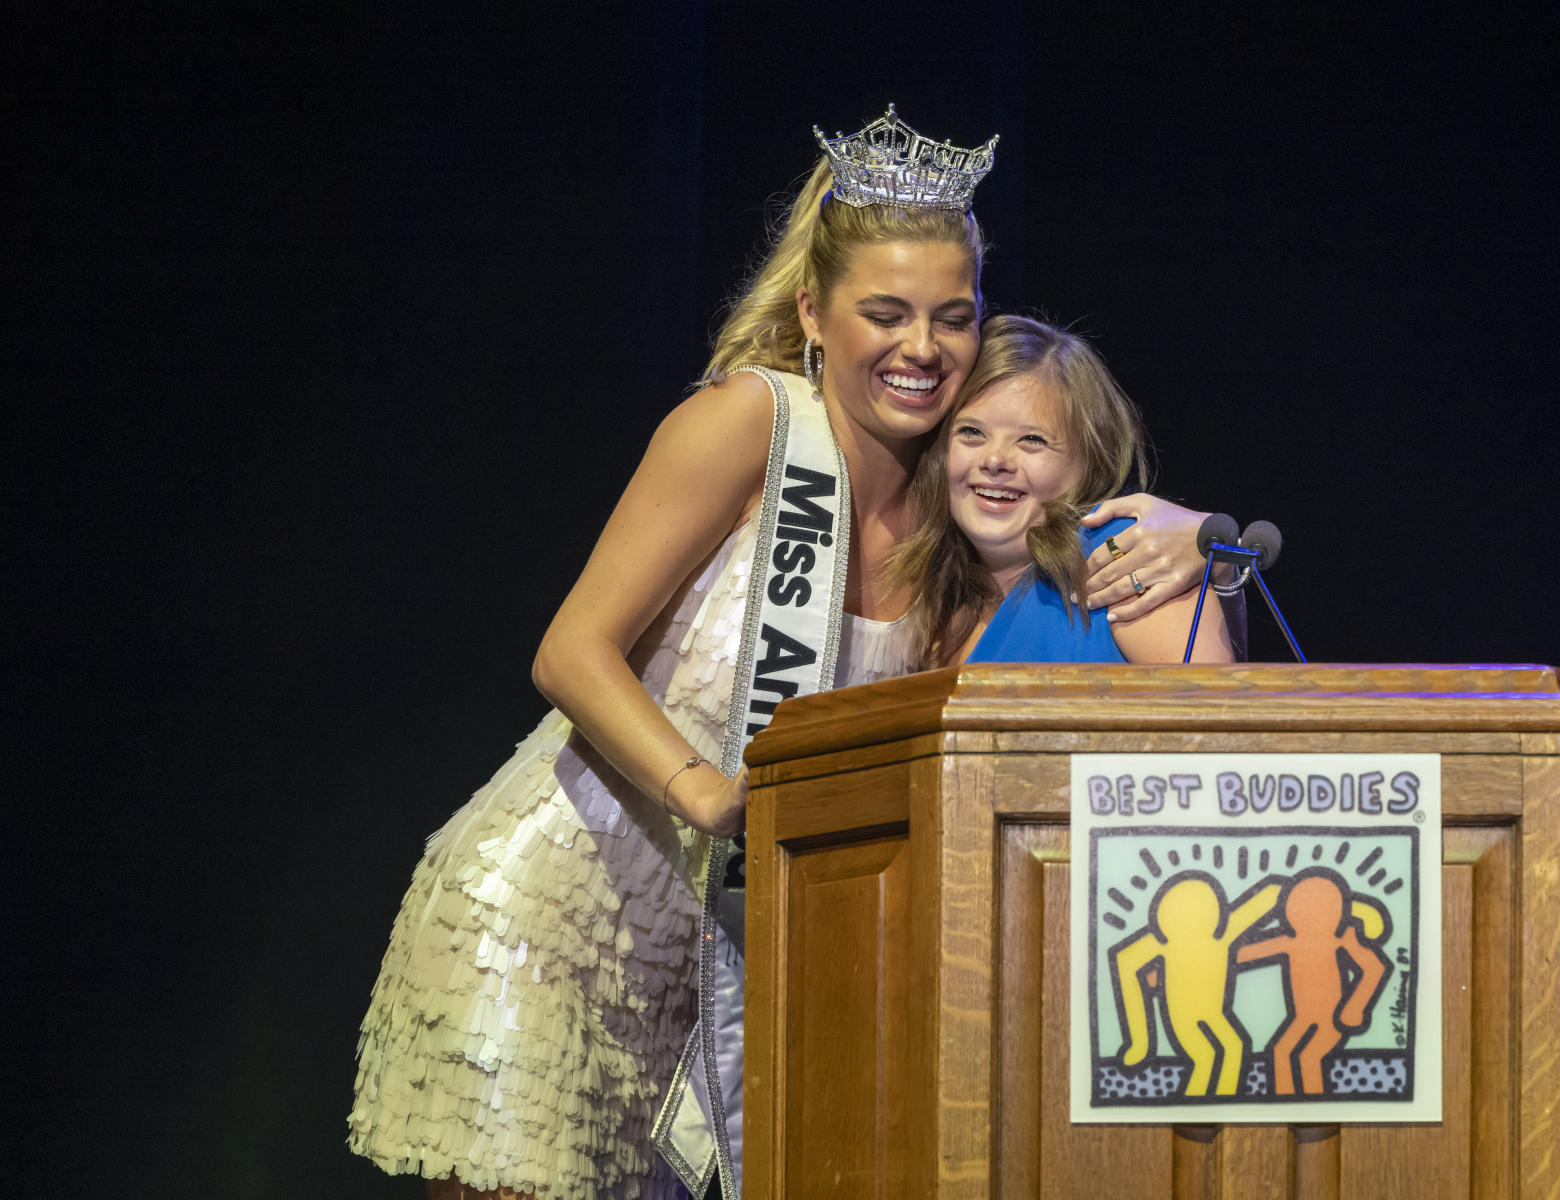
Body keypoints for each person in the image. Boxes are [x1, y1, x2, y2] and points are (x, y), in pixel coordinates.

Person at [347, 110, 1214, 1200]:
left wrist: (1196, 529)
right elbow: (571, 649)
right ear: (813, 308)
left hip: (703, 979)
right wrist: (707, 794)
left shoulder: (945, 517)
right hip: (553, 922)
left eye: (955, 318)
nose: (923, 348)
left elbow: (1069, 514)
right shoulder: (750, 423)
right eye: (886, 313)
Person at [890, 313, 1244, 668]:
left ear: (1088, 462)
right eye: (971, 432)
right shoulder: (924, 593)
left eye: (1032, 439)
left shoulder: (1126, 559)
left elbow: (1216, 714)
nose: (995, 459)